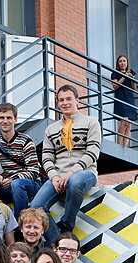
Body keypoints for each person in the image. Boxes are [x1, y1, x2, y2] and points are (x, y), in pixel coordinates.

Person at [29, 84, 101, 237]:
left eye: (69, 99)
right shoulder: (51, 129)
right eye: (61, 100)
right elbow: (46, 157)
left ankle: (67, 225)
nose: (65, 103)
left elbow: (92, 152)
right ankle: (58, 241)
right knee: (36, 207)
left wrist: (71, 173)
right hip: (58, 176)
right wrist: (54, 176)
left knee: (75, 181)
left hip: (85, 173)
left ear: (77, 100)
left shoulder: (91, 122)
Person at [0, 102, 42, 215]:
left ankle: (20, 223)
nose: (5, 121)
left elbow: (34, 171)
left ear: (15, 120)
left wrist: (12, 180)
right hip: (9, 186)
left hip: (31, 184)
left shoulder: (25, 141)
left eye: (9, 118)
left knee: (17, 184)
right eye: (2, 118)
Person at [111, 55, 138, 147]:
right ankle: (119, 144)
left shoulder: (129, 74)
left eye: (124, 61)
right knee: (124, 121)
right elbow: (115, 86)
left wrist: (132, 79)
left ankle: (125, 146)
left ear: (127, 63)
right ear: (118, 63)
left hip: (129, 99)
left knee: (129, 124)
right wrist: (124, 76)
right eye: (120, 61)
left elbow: (134, 89)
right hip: (121, 98)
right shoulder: (115, 73)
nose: (122, 63)